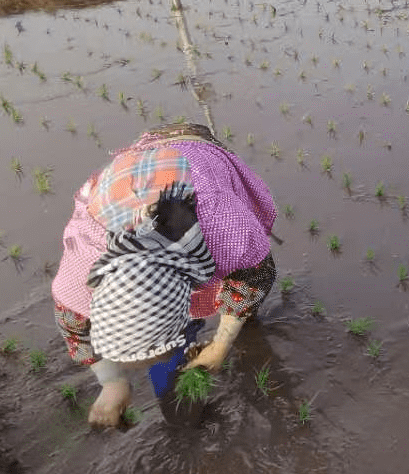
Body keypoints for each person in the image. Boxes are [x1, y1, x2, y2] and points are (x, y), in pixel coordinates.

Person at [52, 123, 277, 426]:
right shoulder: (82, 269)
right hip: (128, 189)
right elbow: (75, 331)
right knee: (176, 352)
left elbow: (256, 275)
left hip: (193, 157)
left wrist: (221, 344)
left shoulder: (224, 229)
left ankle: (242, 320)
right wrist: (111, 382)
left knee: (240, 289)